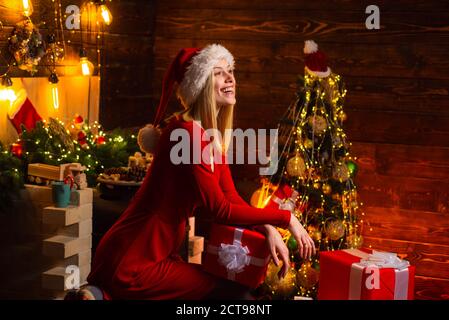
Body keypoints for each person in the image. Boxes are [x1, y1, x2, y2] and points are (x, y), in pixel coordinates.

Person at [85, 44, 316, 300]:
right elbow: (221, 209)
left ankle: (96, 295)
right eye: (218, 73)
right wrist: (285, 218)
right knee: (231, 295)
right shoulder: (187, 134)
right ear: (200, 85)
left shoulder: (208, 135)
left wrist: (267, 228)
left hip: (155, 252)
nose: (230, 78)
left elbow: (229, 196)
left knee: (231, 290)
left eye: (230, 71)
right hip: (135, 259)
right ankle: (99, 294)